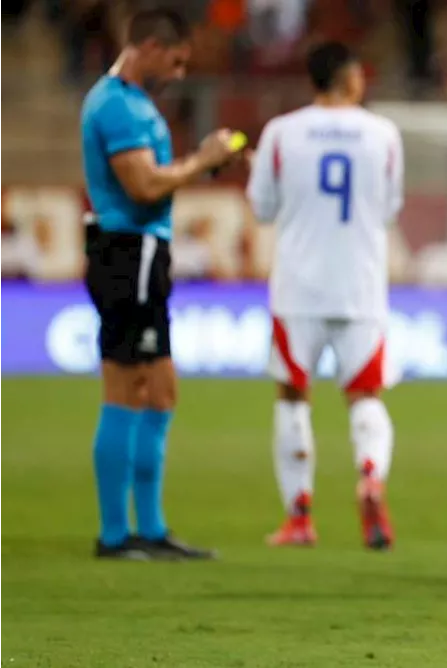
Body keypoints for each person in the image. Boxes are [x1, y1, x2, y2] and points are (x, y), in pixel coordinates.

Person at [82, 8, 240, 561]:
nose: (177, 73)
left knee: (163, 389)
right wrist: (204, 160)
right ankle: (113, 535)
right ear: (149, 46)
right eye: (174, 61)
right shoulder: (117, 105)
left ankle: (149, 528)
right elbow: (144, 184)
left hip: (146, 255)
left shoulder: (136, 104)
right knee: (127, 387)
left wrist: (200, 165)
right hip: (128, 255)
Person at [246, 42, 405, 551]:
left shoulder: (281, 132)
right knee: (365, 395)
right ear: (352, 77)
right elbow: (389, 207)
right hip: (360, 285)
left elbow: (262, 208)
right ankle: (370, 476)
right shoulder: (383, 133)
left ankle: (299, 517)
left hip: (298, 286)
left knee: (293, 397)